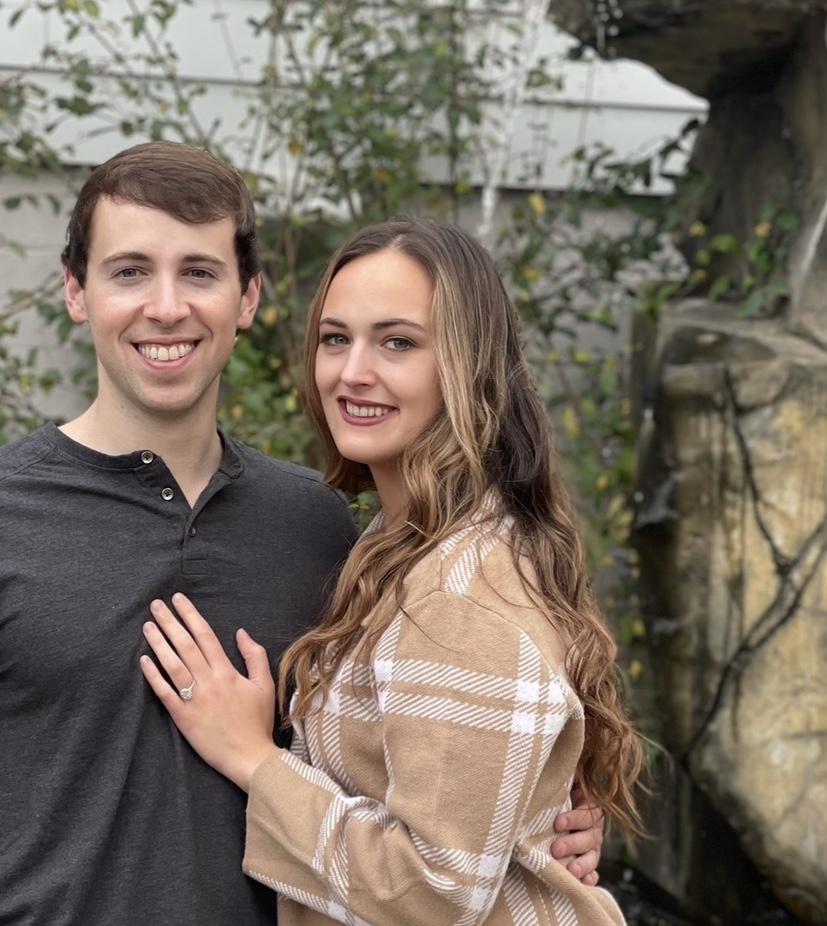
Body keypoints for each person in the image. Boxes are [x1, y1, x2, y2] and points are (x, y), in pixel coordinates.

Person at [0, 146, 603, 925]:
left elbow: (420, 787)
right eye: (130, 272)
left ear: (249, 297)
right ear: (76, 292)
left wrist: (536, 825)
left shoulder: (317, 522)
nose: (166, 306)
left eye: (199, 272)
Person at [140, 218, 643, 925]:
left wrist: (252, 759)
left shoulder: (460, 595)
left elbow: (433, 894)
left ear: (466, 365)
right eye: (335, 339)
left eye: (397, 342)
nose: (352, 372)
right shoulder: (402, 544)